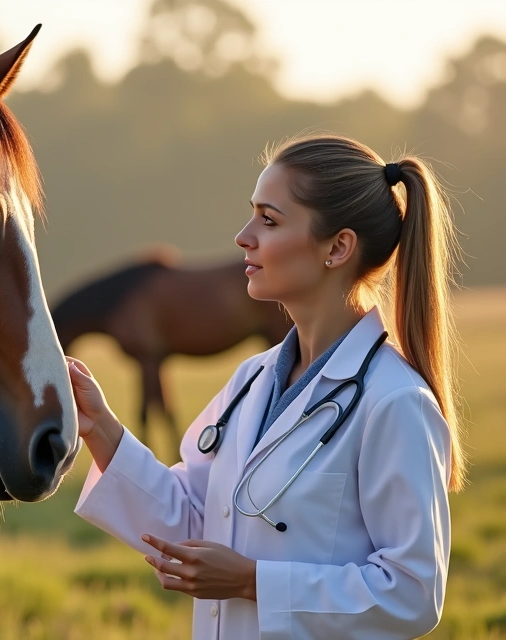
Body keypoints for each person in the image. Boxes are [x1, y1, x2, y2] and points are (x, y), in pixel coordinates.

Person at [69, 133, 466, 639]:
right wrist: (100, 428)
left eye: (269, 220)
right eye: (251, 214)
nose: (243, 236)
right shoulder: (250, 380)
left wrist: (254, 582)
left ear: (338, 247)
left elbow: (413, 593)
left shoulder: (395, 402)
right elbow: (194, 525)